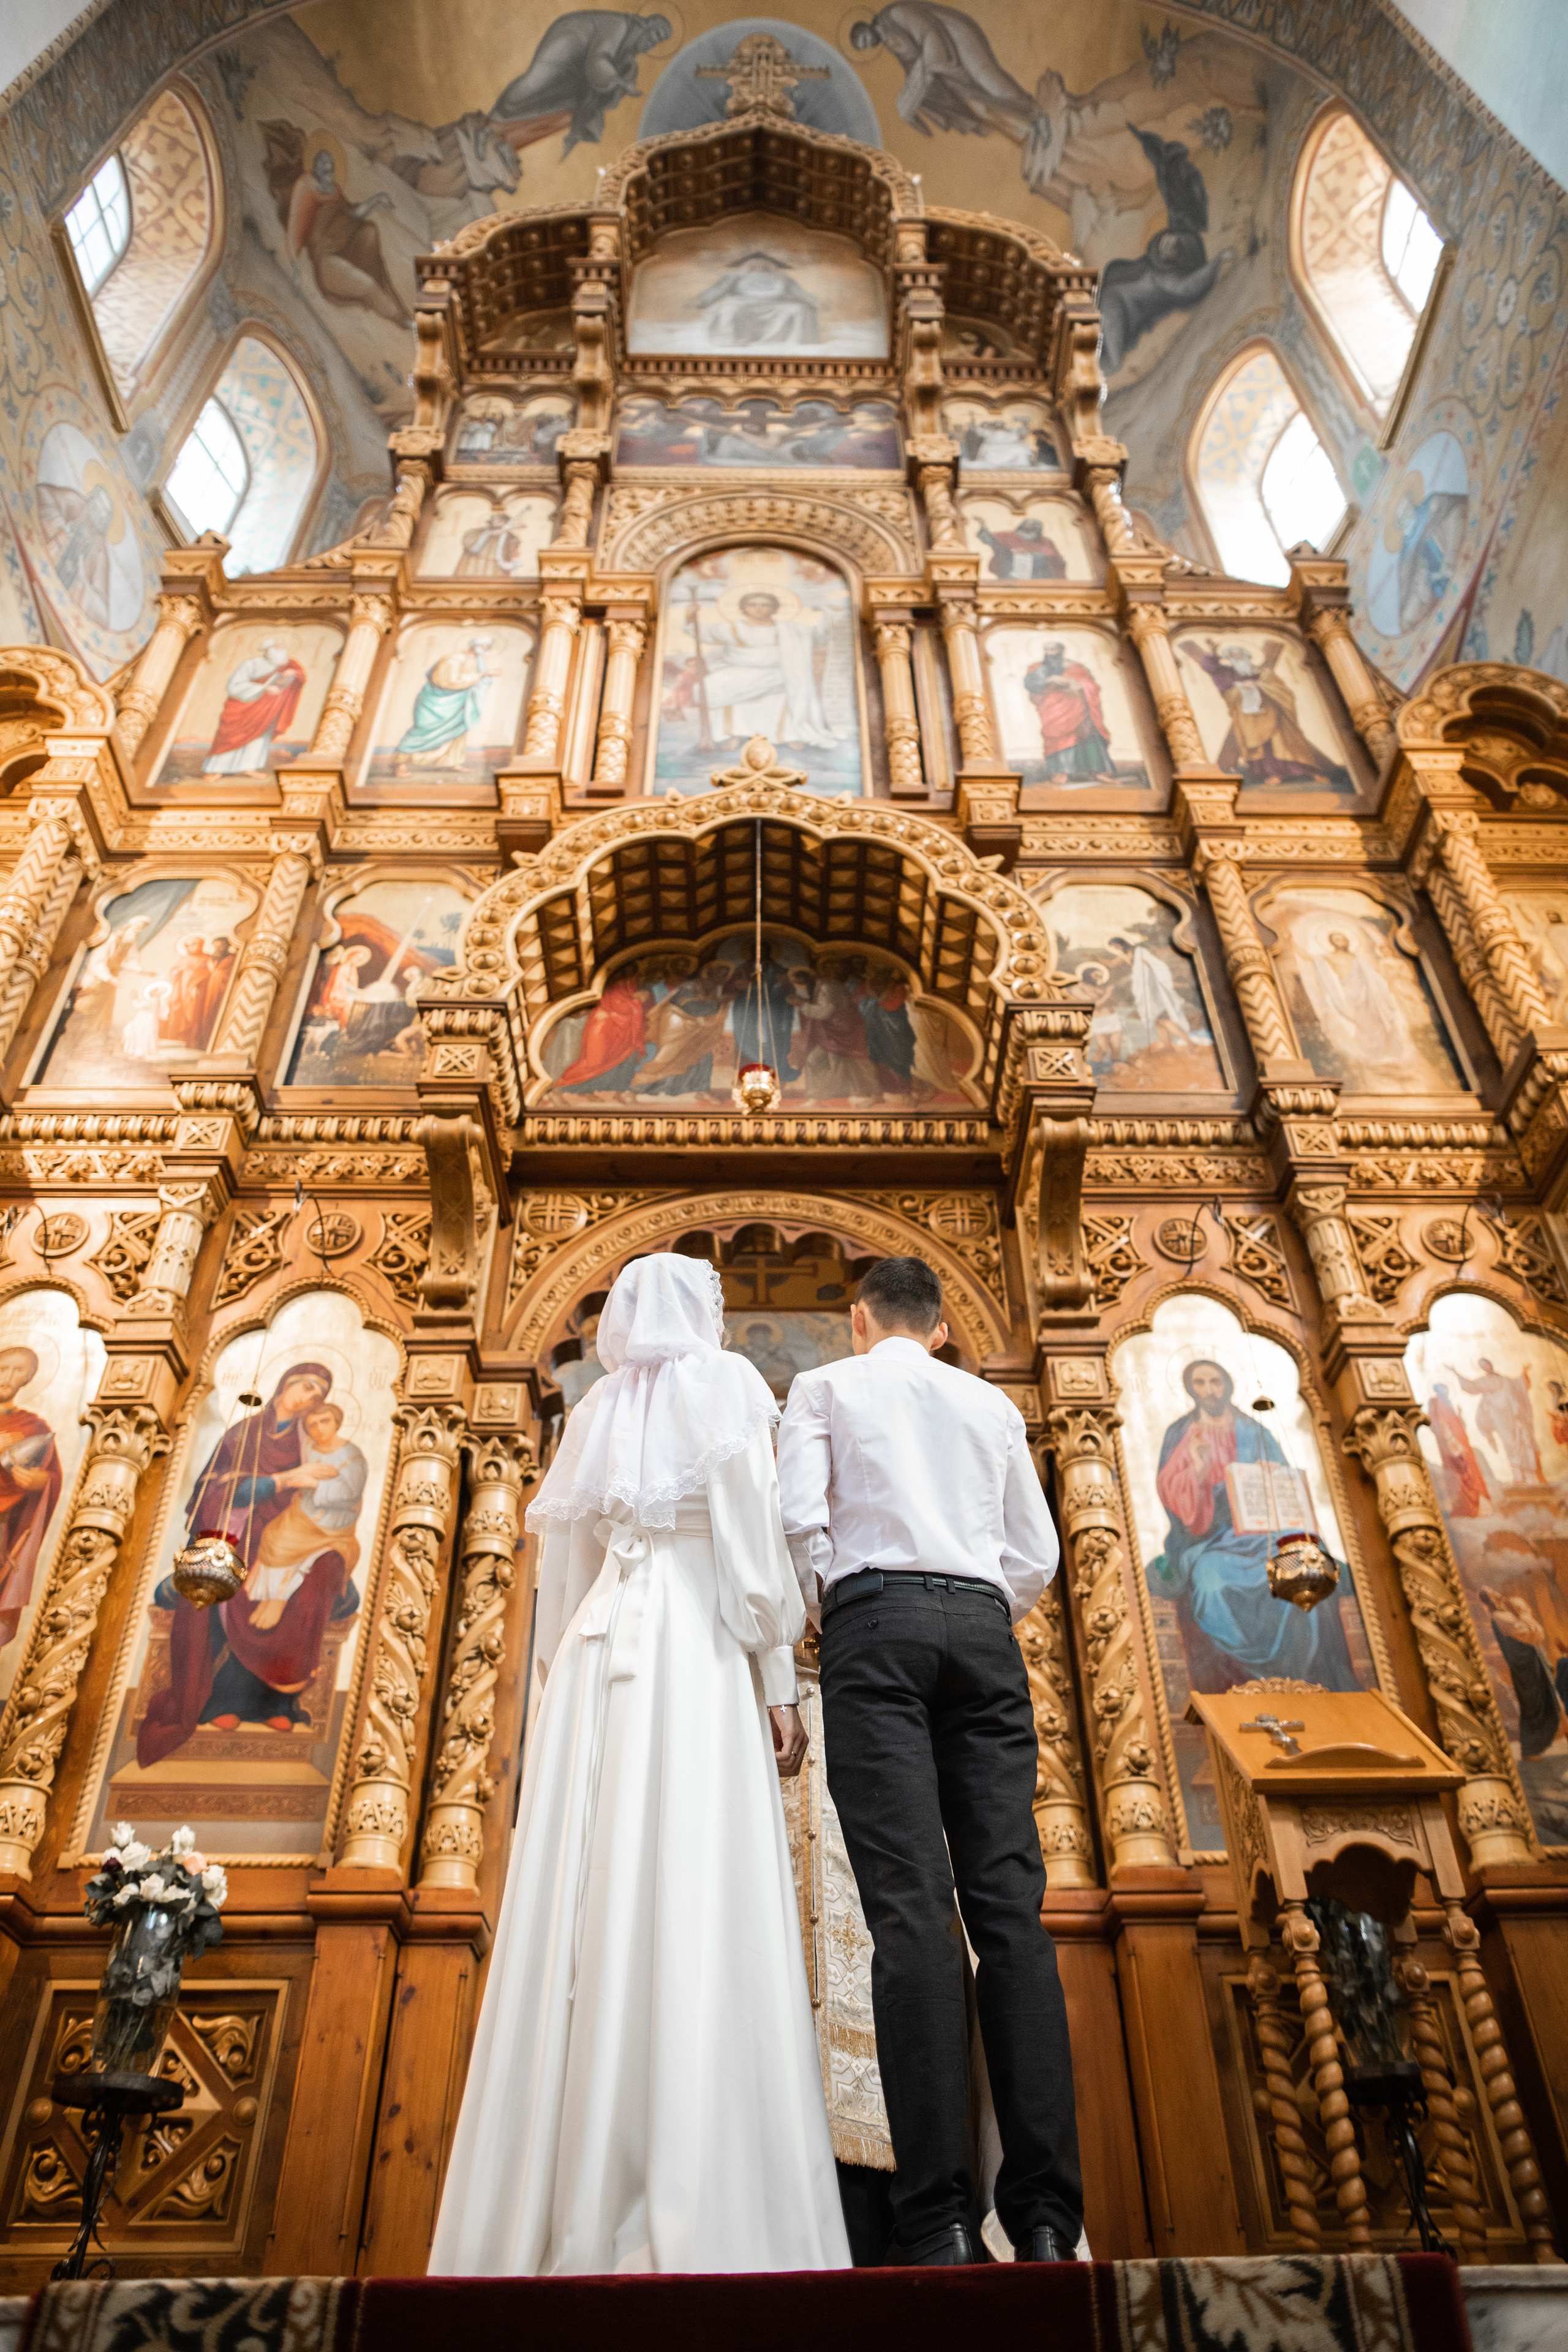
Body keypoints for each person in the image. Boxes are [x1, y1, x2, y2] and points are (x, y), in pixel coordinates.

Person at [431, 1255, 849, 2274]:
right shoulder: (730, 1385)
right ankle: (714, 2200)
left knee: (590, 1898)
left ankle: (563, 2207)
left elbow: (566, 1571)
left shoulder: (596, 1410)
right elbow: (753, 1543)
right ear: (703, 1314)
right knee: (700, 1886)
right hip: (698, 1655)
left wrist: (552, 1705)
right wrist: (781, 1680)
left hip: (593, 1664)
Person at [776, 1256, 1081, 2265]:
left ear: (858, 1321)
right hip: (985, 1629)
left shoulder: (824, 1387)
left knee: (910, 1914)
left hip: (875, 1627)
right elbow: (1034, 1553)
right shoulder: (988, 1407)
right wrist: (975, 1612)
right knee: (1012, 1914)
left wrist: (846, 1613)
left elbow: (799, 1524)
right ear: (942, 1328)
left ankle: (938, 2217)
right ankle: (1042, 2218)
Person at [0, 1348, 63, 1652]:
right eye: (2, 1368)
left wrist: (40, 1481)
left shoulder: (33, 1427)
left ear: (26, 1379)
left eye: (16, 1371)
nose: (6, 1377)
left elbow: (50, 1475)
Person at [202, 641, 308, 775]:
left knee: (259, 738)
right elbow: (234, 686)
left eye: (283, 648)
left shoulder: (287, 666)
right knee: (231, 736)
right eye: (277, 647)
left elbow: (299, 677)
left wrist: (293, 673)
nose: (282, 650)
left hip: (267, 710)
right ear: (268, 650)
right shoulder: (251, 664)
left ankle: (249, 767)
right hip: (244, 706)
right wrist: (263, 689)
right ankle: (216, 770)